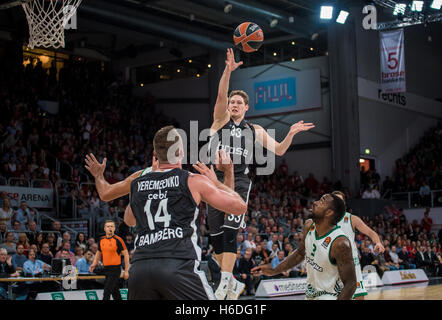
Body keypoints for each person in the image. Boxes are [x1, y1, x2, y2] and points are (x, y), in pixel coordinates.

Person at [207, 48, 314, 300]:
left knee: (230, 231)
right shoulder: (219, 120)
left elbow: (277, 150)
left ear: (246, 107)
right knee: (216, 238)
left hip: (240, 181)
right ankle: (229, 280)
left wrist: (290, 133)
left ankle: (224, 281)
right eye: (231, 102)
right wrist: (228, 71)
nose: (233, 104)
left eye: (238, 103)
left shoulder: (254, 130)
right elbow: (222, 92)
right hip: (215, 180)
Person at [124, 126, 247, 300]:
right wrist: (221, 178)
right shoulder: (192, 180)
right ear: (180, 152)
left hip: (140, 270)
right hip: (178, 266)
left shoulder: (137, 184)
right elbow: (239, 206)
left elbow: (129, 220)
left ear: (155, 154)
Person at [252, 193, 356, 300]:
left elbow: (351, 284)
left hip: (331, 296)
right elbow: (300, 254)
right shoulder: (308, 225)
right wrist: (273, 271)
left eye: (321, 201)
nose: (315, 203)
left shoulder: (340, 243)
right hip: (311, 294)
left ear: (329, 212)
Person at [332, 191, 384, 299]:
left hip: (352, 264)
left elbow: (371, 232)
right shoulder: (324, 221)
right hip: (333, 266)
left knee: (359, 297)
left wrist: (378, 242)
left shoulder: (351, 219)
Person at [89, 220, 129, 300]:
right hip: (106, 268)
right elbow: (98, 253)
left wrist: (126, 271)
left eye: (112, 226)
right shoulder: (102, 240)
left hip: (115, 269)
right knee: (115, 291)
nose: (110, 228)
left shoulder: (118, 240)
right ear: (104, 228)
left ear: (114, 228)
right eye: (108, 226)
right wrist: (94, 263)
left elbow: (126, 255)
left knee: (107, 292)